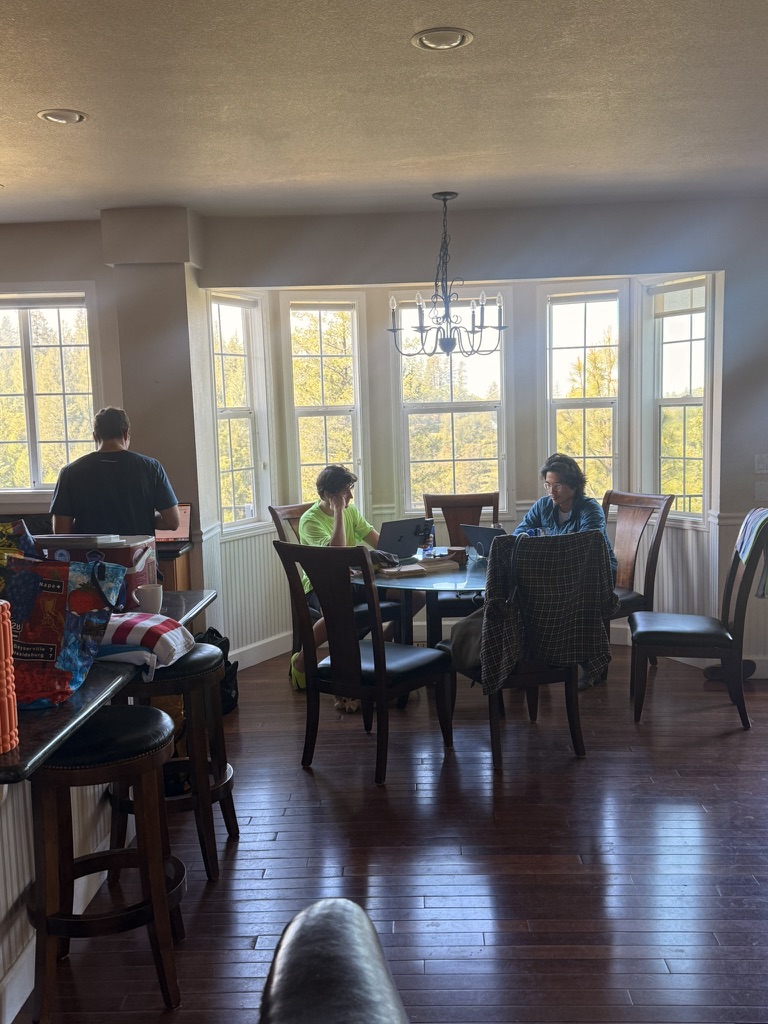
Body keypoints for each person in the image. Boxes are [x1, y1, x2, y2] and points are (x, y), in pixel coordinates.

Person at [290, 464, 423, 711]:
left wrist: (407, 544)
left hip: (356, 581)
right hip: (321, 586)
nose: (350, 497)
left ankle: (380, 642)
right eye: (344, 492)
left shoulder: (352, 512)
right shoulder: (309, 521)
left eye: (350, 490)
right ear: (329, 495)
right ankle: (300, 659)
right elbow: (336, 555)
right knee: (339, 608)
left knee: (415, 596)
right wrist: (339, 512)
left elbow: (378, 542)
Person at [514, 453, 617, 690]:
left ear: (574, 484)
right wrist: (530, 536)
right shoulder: (543, 506)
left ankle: (589, 663)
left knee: (569, 597)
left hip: (594, 573)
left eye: (557, 485)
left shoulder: (589, 509)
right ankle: (534, 657)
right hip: (555, 572)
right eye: (548, 485)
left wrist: (544, 544)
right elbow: (519, 534)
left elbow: (586, 546)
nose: (552, 491)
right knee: (522, 592)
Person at [50, 406, 180, 537]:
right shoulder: (151, 467)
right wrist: (142, 518)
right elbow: (172, 522)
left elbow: (61, 530)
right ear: (125, 433)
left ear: (95, 436)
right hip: (138, 554)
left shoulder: (69, 472)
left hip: (91, 555)